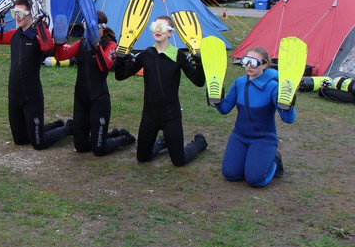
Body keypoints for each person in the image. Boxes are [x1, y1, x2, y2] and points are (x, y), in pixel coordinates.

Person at [115, 15, 208, 166]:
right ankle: (162, 142)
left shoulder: (178, 56)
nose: (157, 30)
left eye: (162, 27)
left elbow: (198, 82)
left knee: (179, 161)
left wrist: (199, 63)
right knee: (142, 158)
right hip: (149, 116)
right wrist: (121, 59)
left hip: (171, 116)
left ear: (170, 32)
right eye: (155, 26)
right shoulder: (146, 55)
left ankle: (200, 143)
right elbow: (121, 76)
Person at [0, 0, 73, 149]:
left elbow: (48, 47)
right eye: (14, 13)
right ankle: (56, 124)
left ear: (31, 14)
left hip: (32, 97)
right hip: (14, 96)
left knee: (38, 143)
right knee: (20, 140)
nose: (16, 18)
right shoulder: (14, 35)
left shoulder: (39, 36)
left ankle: (69, 128)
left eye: (20, 14)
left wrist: (40, 22)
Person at [55, 11, 136, 155]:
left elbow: (105, 66)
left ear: (102, 27)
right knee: (81, 147)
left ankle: (124, 138)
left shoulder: (111, 45)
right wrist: (59, 41)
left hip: (99, 101)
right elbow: (61, 56)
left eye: (92, 26)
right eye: (86, 25)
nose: (88, 29)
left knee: (99, 150)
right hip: (81, 100)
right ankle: (110, 134)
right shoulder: (82, 43)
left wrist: (97, 44)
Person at [213, 47, 295, 187]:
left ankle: (275, 159)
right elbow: (224, 109)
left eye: (254, 62)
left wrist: (288, 106)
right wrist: (216, 99)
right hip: (239, 136)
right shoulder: (239, 82)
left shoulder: (273, 87)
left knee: (255, 180)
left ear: (264, 64)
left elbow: (288, 119)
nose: (249, 66)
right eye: (246, 61)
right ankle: (251, 160)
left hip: (263, 139)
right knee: (231, 174)